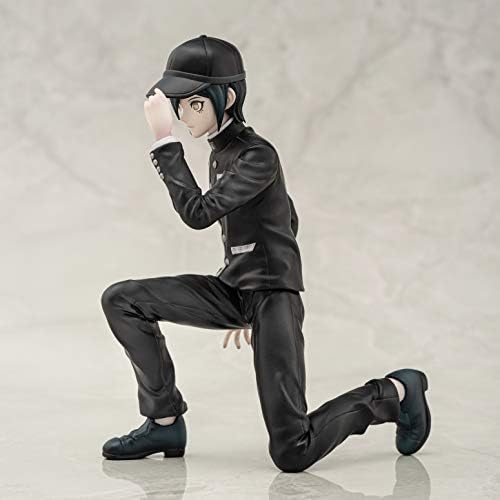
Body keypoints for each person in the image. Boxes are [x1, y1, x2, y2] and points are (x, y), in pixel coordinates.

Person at [100, 35, 431, 471]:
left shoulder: (257, 156)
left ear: (227, 98)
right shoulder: (221, 152)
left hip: (273, 298)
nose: (182, 116)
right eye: (178, 106)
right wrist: (244, 283)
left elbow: (198, 214)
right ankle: (164, 422)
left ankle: (396, 391)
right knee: (122, 299)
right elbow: (285, 217)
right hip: (239, 289)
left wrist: (164, 141)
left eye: (193, 104)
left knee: (293, 450)